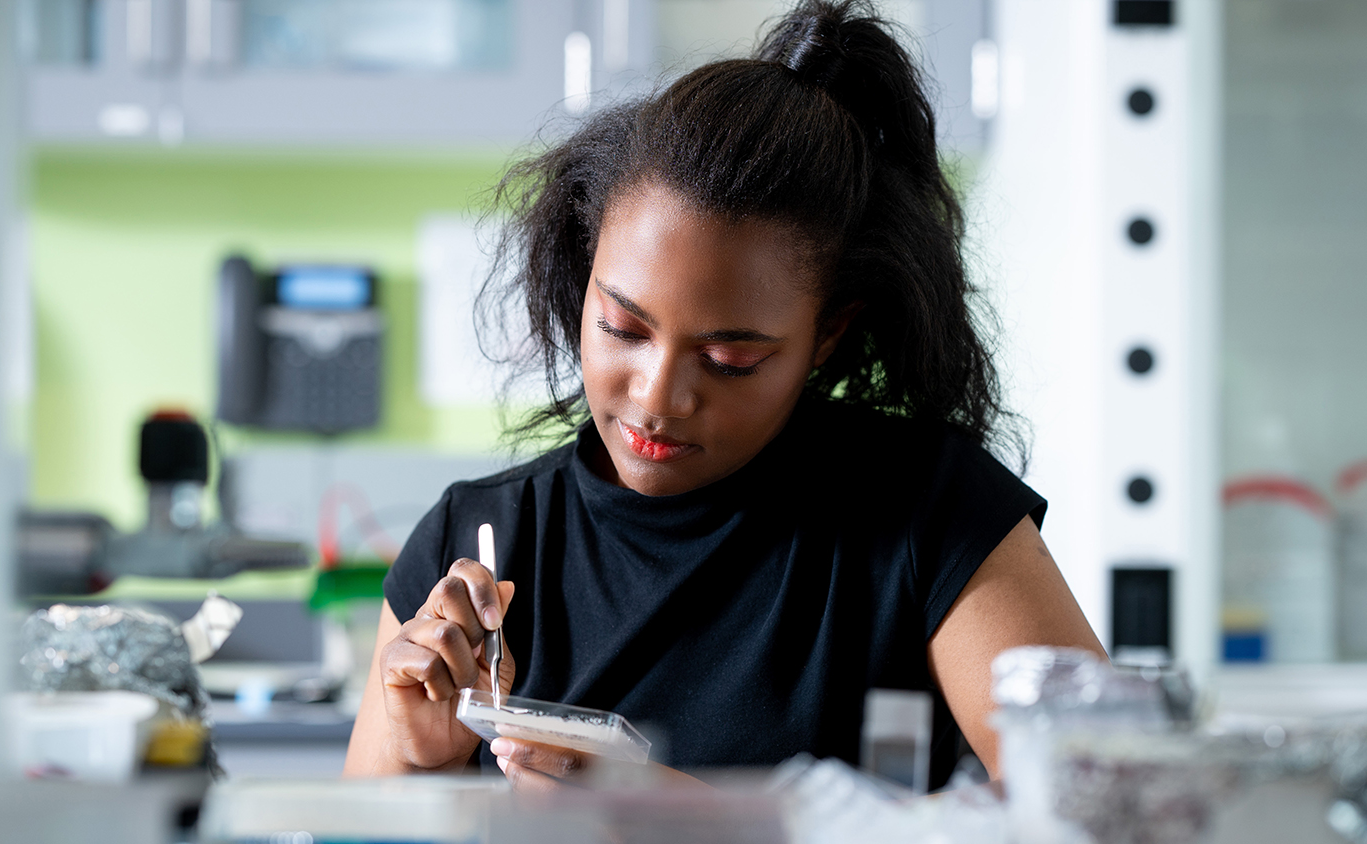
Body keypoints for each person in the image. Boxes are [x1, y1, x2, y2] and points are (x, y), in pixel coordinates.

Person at [343, 0, 1102, 790]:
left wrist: (711, 825)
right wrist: (418, 759)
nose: (658, 396)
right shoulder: (480, 538)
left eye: (730, 357)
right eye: (622, 328)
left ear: (829, 336)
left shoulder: (928, 516)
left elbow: (1112, 814)